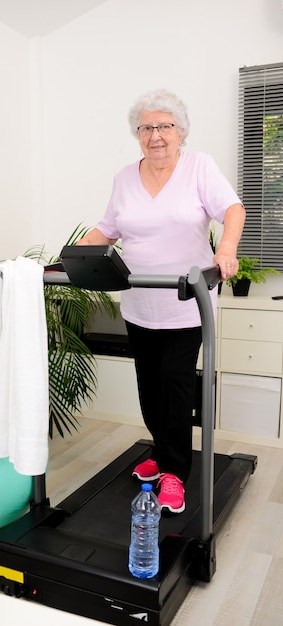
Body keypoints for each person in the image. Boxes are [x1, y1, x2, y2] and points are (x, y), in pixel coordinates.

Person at [76, 89, 245, 513]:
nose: (156, 135)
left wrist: (225, 251)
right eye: (147, 127)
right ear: (137, 134)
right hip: (138, 304)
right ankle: (162, 450)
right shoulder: (123, 178)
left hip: (185, 303)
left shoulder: (199, 168)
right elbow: (108, 228)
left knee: (175, 385)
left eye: (164, 126)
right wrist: (76, 251)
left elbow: (233, 209)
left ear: (180, 131)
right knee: (150, 388)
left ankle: (173, 472)